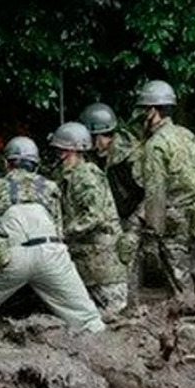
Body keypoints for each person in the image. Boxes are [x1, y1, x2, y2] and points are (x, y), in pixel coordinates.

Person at [0, 137, 104, 332]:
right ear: (36, 165)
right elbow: (59, 230)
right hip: (51, 252)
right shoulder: (51, 187)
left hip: (9, 257)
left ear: (6, 163)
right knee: (88, 319)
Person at [132, 79, 195, 295]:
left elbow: (155, 193)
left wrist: (152, 233)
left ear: (152, 111)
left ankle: (189, 319)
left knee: (180, 284)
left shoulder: (156, 144)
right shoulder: (188, 135)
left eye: (143, 110)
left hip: (175, 218)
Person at [51, 121, 128, 319]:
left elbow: (94, 215)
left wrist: (64, 233)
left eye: (64, 151)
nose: (60, 156)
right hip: (91, 263)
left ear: (76, 151)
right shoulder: (71, 176)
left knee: (105, 315)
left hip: (104, 266)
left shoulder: (85, 175)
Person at [80, 102, 143, 222]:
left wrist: (134, 225)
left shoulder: (132, 156)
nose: (94, 145)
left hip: (135, 219)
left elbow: (151, 195)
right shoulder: (89, 154)